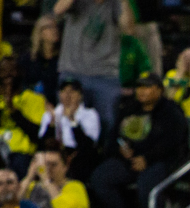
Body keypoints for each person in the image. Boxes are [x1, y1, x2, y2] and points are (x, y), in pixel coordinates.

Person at [90, 72, 188, 208]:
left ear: (159, 90)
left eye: (147, 87)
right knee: (100, 178)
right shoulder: (128, 109)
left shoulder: (171, 111)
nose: (142, 91)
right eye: (139, 87)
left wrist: (147, 158)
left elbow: (172, 142)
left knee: (147, 186)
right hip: (129, 161)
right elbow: (113, 137)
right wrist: (120, 149)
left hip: (159, 161)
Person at [54, 0, 134, 132]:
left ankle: (105, 153)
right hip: (73, 71)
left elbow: (129, 29)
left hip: (106, 75)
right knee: (67, 123)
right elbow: (58, 10)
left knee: (108, 126)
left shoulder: (115, 3)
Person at [0, 57, 47, 178]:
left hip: (21, 154)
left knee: (20, 163)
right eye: (3, 70)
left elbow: (38, 136)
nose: (8, 74)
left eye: (12, 70)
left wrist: (13, 111)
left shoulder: (36, 99)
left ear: (21, 72)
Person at [38, 79, 102, 183]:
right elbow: (43, 144)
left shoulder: (90, 114)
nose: (67, 95)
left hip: (79, 154)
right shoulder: (51, 114)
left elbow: (88, 146)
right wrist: (52, 124)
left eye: (72, 91)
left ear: (80, 96)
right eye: (64, 91)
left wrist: (73, 121)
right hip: (56, 152)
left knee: (82, 160)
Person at [22, 15, 61, 105]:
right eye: (49, 27)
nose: (55, 30)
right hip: (32, 103)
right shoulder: (29, 58)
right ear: (40, 32)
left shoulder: (62, 58)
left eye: (56, 27)